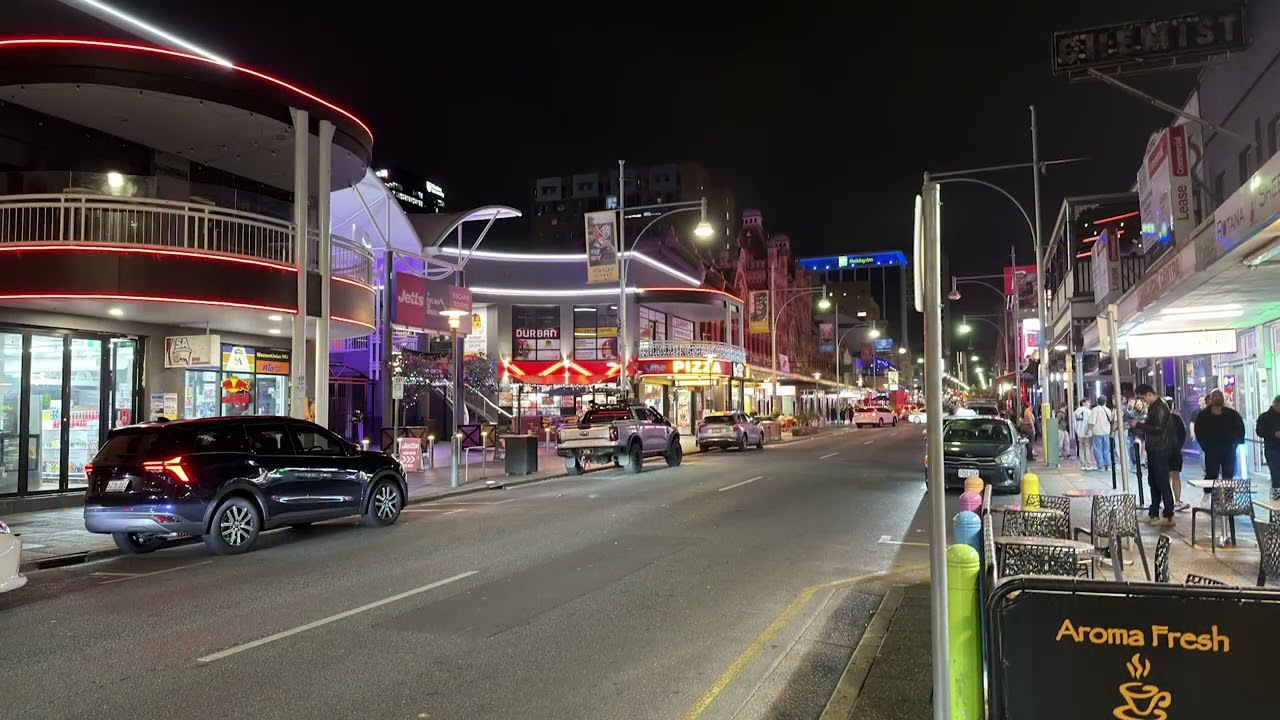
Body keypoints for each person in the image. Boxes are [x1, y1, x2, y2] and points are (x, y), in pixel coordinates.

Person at [1130, 385, 1174, 525]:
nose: (1143, 401)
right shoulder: (1154, 406)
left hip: (1160, 448)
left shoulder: (1160, 407)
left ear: (1149, 394)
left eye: (1143, 398)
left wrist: (1139, 425)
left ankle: (1168, 514)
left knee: (1161, 481)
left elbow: (1158, 428)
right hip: (1154, 447)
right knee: (1154, 481)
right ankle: (1154, 512)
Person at [1195, 389, 1246, 495]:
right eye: (1215, 395)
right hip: (1212, 450)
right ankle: (1209, 496)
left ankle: (1228, 499)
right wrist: (1205, 446)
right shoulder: (1203, 415)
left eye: (1220, 395)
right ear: (1210, 398)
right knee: (1211, 474)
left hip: (1228, 449)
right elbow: (1199, 431)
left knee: (1228, 475)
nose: (1218, 397)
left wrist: (1235, 444)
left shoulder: (1232, 414)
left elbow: (1240, 429)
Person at [1167, 399, 1188, 511]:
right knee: (1175, 476)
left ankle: (1164, 501)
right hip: (1175, 452)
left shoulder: (1158, 419)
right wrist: (1178, 447)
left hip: (1162, 452)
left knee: (1164, 477)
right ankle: (1177, 500)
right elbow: (1183, 434)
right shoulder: (1177, 418)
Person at [1257, 395, 1280, 490]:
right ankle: (1276, 497)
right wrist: (1273, 434)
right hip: (1272, 448)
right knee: (1276, 475)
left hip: (1272, 448)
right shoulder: (1264, 417)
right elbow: (1260, 431)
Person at [1089, 396, 1114, 472]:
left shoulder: (1094, 410)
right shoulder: (1108, 410)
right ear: (1105, 402)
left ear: (1097, 402)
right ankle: (1108, 465)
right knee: (1106, 449)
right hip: (1106, 432)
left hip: (1097, 432)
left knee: (1098, 449)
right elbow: (1111, 420)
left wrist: (1089, 430)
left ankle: (1101, 466)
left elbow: (1092, 422)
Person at [1075, 399, 1095, 470]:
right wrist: (1089, 430)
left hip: (1079, 433)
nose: (1089, 403)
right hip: (1087, 433)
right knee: (1087, 448)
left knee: (1081, 448)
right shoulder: (1088, 411)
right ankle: (1088, 464)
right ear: (1083, 403)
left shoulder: (1076, 412)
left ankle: (1082, 464)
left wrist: (1077, 431)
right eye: (1088, 402)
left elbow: (1074, 423)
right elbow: (1091, 422)